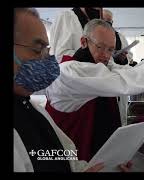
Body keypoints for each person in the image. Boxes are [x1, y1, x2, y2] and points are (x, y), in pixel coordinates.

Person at [44, 19, 144, 162]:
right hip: (71, 158)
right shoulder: (68, 72)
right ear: (84, 42)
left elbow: (130, 72)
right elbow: (128, 80)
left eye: (110, 50)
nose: (105, 56)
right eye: (100, 47)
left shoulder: (103, 65)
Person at [13, 8, 131, 172]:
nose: (46, 58)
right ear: (83, 42)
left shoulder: (31, 109)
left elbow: (62, 160)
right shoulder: (70, 67)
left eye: (47, 49)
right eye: (37, 49)